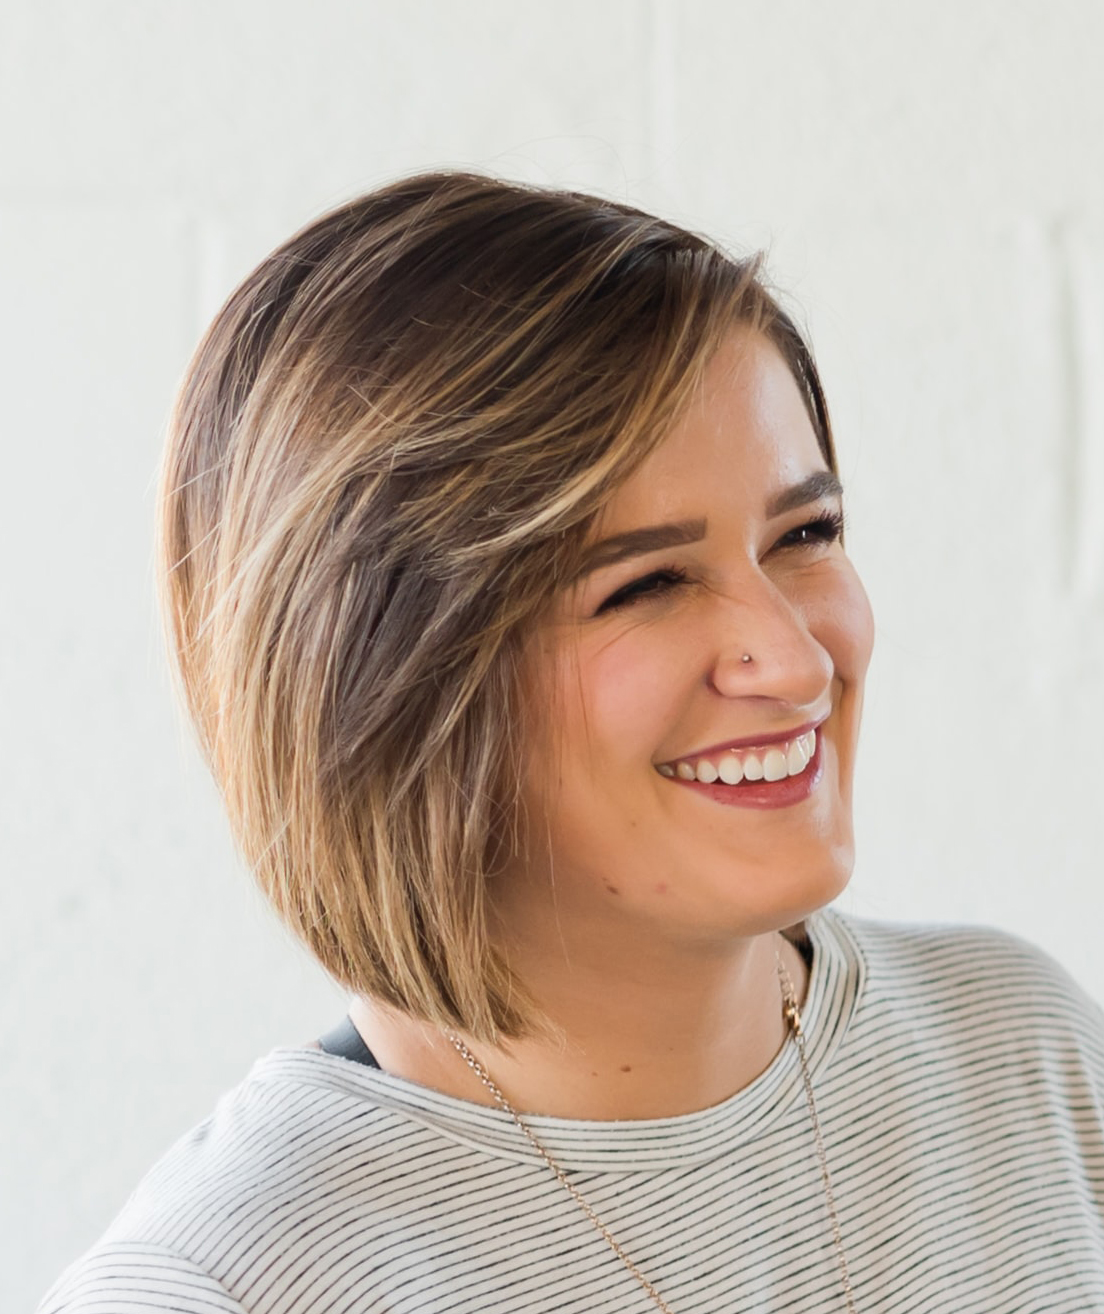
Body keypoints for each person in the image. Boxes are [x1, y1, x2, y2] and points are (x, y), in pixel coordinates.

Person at [39, 172, 1104, 1314]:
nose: (797, 662)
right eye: (647, 584)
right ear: (390, 681)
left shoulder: (1022, 1053)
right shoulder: (221, 1286)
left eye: (805, 533)